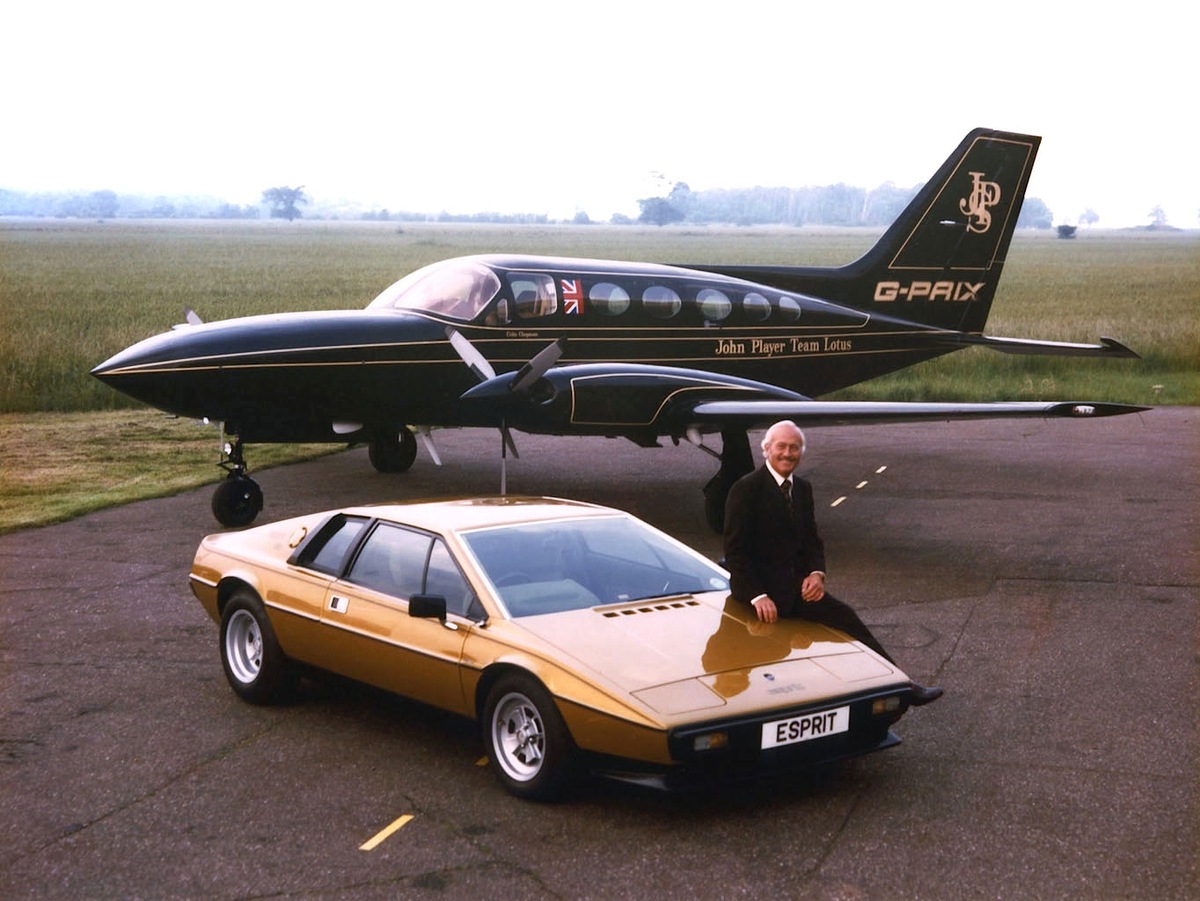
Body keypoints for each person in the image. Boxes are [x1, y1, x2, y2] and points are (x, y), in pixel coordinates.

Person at [722, 420, 943, 706]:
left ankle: (902, 686)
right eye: (781, 447)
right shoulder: (745, 489)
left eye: (794, 448)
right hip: (759, 595)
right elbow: (734, 551)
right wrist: (757, 595)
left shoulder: (802, 489)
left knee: (848, 619)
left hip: (798, 591)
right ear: (766, 449)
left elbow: (812, 540)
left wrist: (816, 574)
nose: (788, 453)